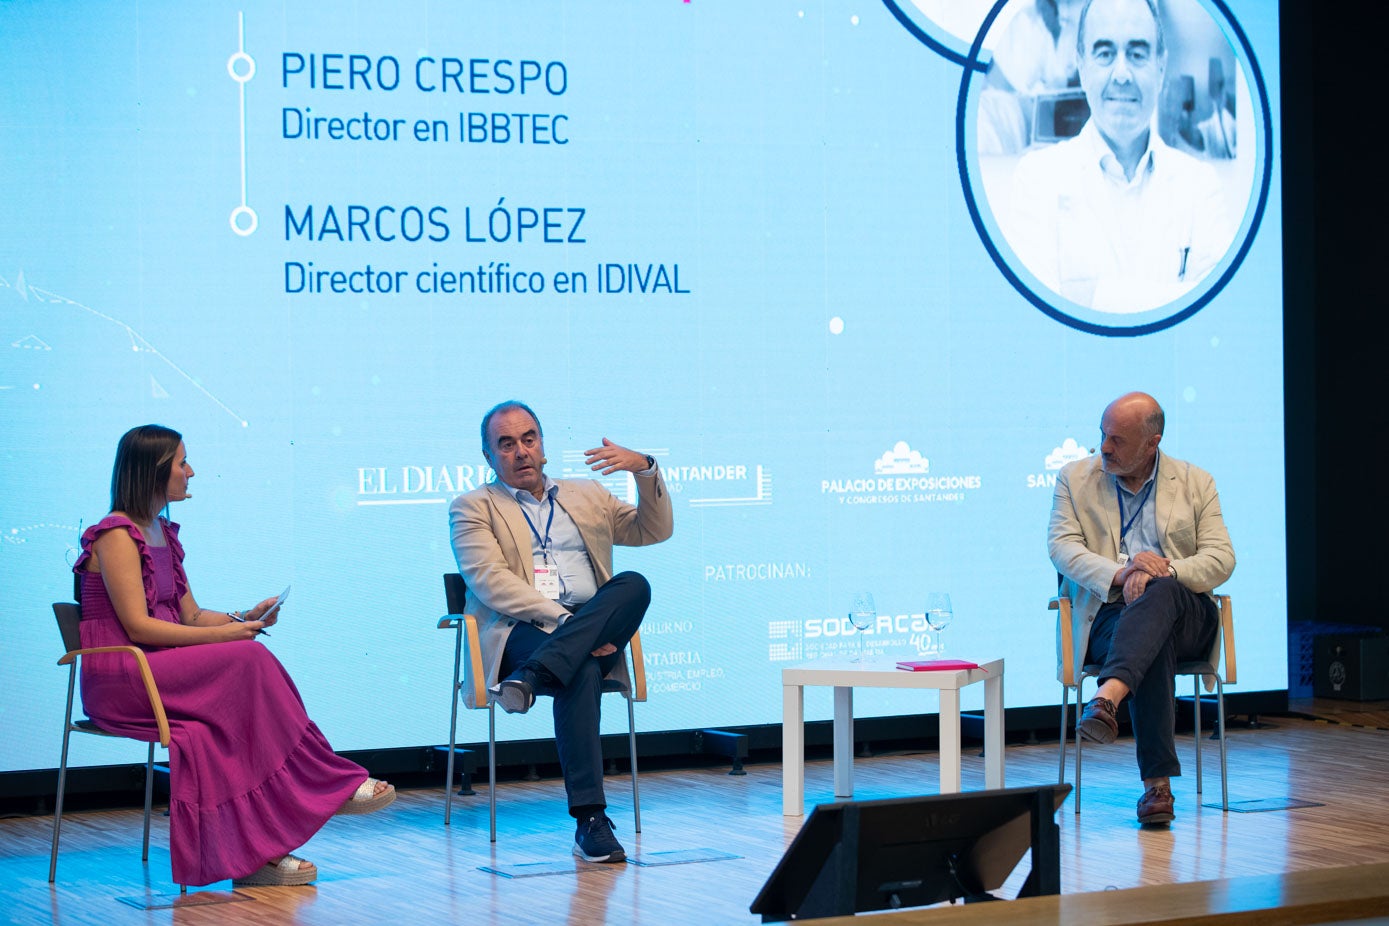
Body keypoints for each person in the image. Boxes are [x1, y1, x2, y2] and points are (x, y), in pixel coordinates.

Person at [74, 425, 395, 887]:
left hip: (159, 666)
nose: (191, 472)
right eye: (182, 463)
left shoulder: (161, 531)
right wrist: (230, 637)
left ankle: (258, 854)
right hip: (126, 675)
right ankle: (328, 780)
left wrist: (244, 618)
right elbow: (139, 627)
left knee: (227, 716)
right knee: (248, 660)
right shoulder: (116, 536)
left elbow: (189, 614)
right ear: (153, 471)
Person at [449, 401, 673, 862]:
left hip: (590, 626)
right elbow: (491, 582)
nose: (521, 451)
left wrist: (646, 470)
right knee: (580, 669)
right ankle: (590, 820)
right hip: (526, 630)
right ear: (489, 457)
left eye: (529, 439)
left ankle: (532, 680)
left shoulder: (587, 495)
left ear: (543, 445)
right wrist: (570, 625)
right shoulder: (472, 507)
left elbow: (654, 531)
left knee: (635, 584)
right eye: (506, 444)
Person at [1047, 392, 1235, 825]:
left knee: (1162, 598)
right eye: (1102, 436)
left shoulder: (1195, 482)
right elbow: (1062, 548)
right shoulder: (1074, 479)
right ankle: (1157, 789)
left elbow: (1222, 558)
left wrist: (1161, 571)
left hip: (1186, 610)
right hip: (1107, 614)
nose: (1105, 448)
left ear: (1153, 443)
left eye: (1117, 440)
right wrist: (1124, 570)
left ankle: (1106, 698)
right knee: (1152, 636)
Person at [1001, 0, 1237, 313]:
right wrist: (1170, 296)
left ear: (1161, 67)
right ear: (1082, 68)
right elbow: (1036, 317)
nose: (1122, 74)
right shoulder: (1035, 179)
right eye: (1105, 53)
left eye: (1137, 54)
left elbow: (1215, 312)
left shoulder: (1201, 186)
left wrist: (1092, 296)